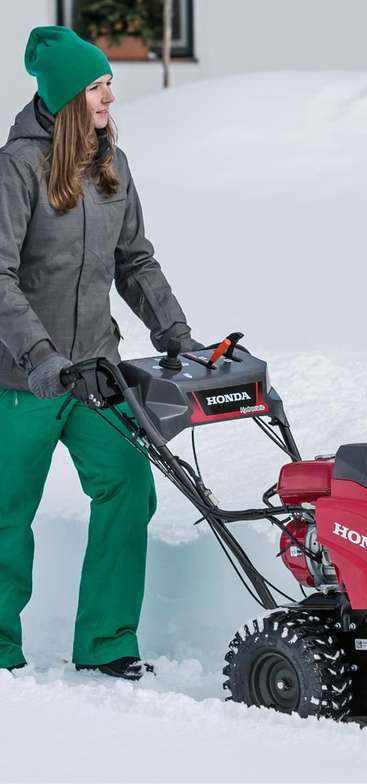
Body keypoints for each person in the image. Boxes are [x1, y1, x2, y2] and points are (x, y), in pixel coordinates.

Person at [0, 27, 197, 679]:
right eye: (97, 84)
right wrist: (37, 353)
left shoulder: (113, 160)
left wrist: (176, 334)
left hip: (94, 372)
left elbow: (134, 258)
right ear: (64, 95)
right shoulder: (17, 167)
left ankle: (107, 642)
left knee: (128, 484)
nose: (111, 92)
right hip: (21, 378)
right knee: (6, 511)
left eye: (108, 80)